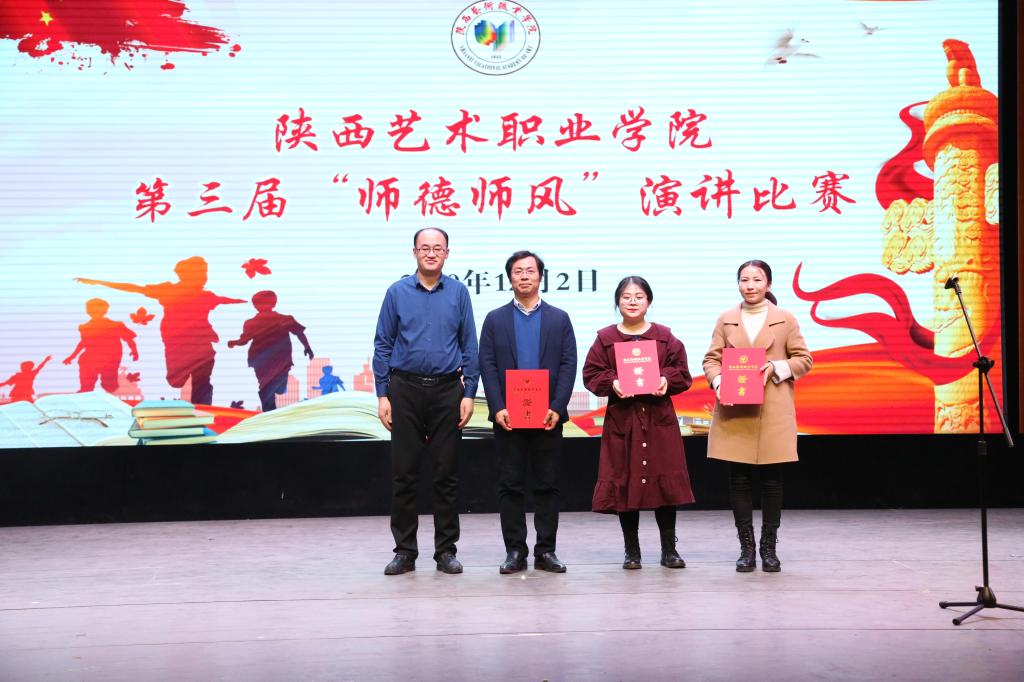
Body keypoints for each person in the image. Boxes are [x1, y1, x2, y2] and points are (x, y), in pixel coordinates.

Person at [373, 228, 479, 576]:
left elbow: (469, 344)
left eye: (438, 248)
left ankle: (446, 551)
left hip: (448, 390)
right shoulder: (397, 292)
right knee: (404, 474)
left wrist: (469, 393)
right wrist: (383, 393)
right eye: (425, 248)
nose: (431, 253)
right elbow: (383, 343)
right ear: (414, 252)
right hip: (404, 389)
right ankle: (405, 551)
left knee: (446, 475)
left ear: (447, 253)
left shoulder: (459, 292)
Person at [703, 260, 812, 572]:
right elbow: (711, 360)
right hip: (735, 410)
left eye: (756, 279)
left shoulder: (785, 319)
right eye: (744, 280)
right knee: (738, 480)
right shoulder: (726, 319)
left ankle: (769, 548)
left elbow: (804, 359)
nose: (750, 286)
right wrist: (720, 381)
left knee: (772, 481)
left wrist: (776, 367)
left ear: (768, 284)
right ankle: (746, 549)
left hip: (772, 409)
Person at [582, 276, 695, 569]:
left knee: (663, 483)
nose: (632, 302)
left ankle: (669, 550)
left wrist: (665, 379)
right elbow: (591, 374)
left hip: (658, 420)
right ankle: (631, 551)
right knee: (625, 482)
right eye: (626, 297)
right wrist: (613, 382)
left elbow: (682, 372)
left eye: (639, 296)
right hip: (624, 421)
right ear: (617, 302)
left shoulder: (665, 337)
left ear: (649, 301)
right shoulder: (606, 338)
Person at [479, 250, 577, 574]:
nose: (524, 276)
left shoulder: (559, 318)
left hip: (547, 417)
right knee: (510, 486)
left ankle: (545, 551)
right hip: (508, 418)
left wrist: (557, 407)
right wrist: (497, 407)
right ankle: (515, 551)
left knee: (547, 485)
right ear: (509, 278)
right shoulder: (495, 319)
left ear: (540, 276)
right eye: (518, 271)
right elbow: (487, 365)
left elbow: (568, 364)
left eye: (530, 271)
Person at [75, 256, 246, 405]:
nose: (204, 277)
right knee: (176, 381)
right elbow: (135, 288)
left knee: (203, 378)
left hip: (202, 342)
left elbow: (225, 300)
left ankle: (202, 408)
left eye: (204, 273)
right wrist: (100, 282)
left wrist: (243, 301)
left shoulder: (206, 296)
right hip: (176, 342)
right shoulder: (168, 290)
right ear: (185, 274)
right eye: (200, 273)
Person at [227, 290, 314, 412]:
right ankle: (269, 411)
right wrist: (235, 342)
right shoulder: (252, 322)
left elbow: (299, 333)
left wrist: (307, 347)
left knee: (277, 388)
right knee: (266, 388)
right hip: (262, 360)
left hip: (280, 360)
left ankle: (269, 406)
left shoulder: (284, 319)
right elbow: (244, 340)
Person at [63, 298, 139, 393]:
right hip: (90, 360)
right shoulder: (85, 327)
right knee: (87, 386)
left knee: (110, 386)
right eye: (90, 308)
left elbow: (129, 338)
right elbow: (84, 342)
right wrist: (72, 356)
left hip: (109, 360)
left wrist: (134, 351)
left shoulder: (116, 325)